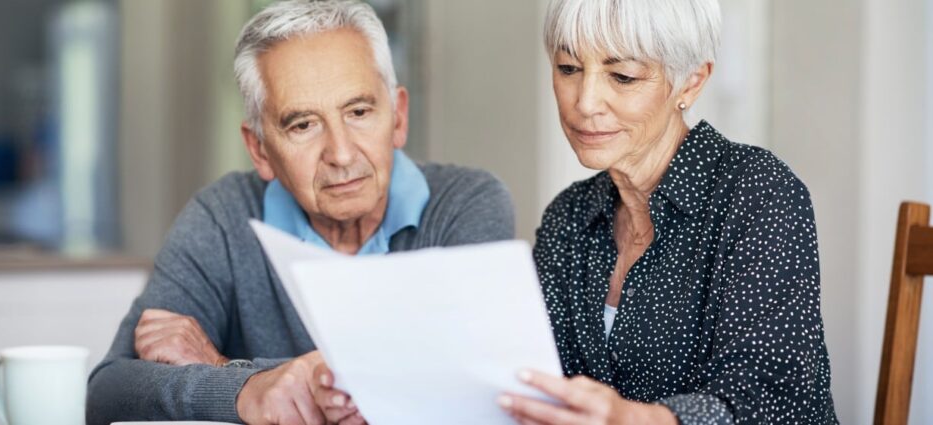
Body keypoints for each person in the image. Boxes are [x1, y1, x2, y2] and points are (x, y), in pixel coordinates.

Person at [86, 1, 514, 424]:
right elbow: (108, 393)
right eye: (303, 125)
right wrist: (252, 389)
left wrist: (227, 370)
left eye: (359, 112)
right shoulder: (221, 217)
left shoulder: (466, 203)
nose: (341, 154)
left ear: (398, 117)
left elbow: (466, 386)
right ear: (259, 149)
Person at [498, 0, 839, 423]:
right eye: (568, 68)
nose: (585, 102)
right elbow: (534, 375)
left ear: (691, 83)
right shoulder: (569, 216)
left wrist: (635, 419)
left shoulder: (758, 192)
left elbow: (769, 393)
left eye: (623, 76)